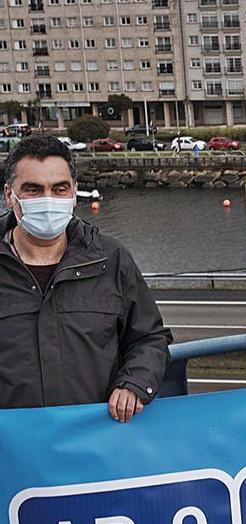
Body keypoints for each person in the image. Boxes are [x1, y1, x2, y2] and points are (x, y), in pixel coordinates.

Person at [0, 135, 171, 421]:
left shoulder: (111, 258)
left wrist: (135, 383)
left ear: (74, 191)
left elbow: (150, 338)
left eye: (59, 188)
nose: (48, 200)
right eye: (33, 189)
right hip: (11, 452)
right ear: (9, 194)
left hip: (95, 444)